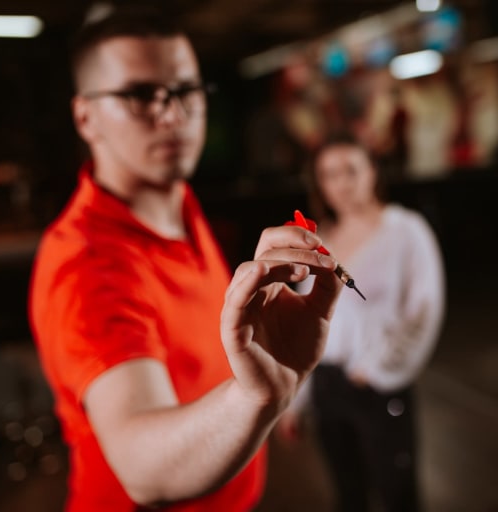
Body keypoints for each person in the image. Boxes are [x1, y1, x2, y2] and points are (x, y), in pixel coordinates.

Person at [28, 7, 342, 511]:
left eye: (184, 91)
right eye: (138, 95)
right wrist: (255, 397)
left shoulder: (176, 202)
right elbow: (142, 468)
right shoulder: (86, 263)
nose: (172, 113)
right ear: (85, 117)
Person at [278, 132, 446, 512]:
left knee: (397, 494)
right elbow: (309, 325)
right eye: (328, 174)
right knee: (348, 493)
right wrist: (297, 401)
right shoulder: (323, 243)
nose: (340, 184)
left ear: (372, 171)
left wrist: (375, 370)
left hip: (378, 387)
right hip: (327, 388)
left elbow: (424, 309)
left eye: (350, 170)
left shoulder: (406, 230)